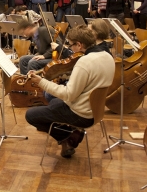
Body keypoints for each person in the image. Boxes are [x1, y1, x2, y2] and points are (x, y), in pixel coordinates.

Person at [25, 25, 114, 158]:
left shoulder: (84, 62)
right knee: (54, 102)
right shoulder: (107, 56)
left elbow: (68, 94)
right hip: (96, 110)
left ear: (79, 44)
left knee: (31, 115)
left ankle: (68, 135)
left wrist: (41, 82)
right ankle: (71, 132)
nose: (70, 49)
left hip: (81, 114)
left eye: (71, 45)